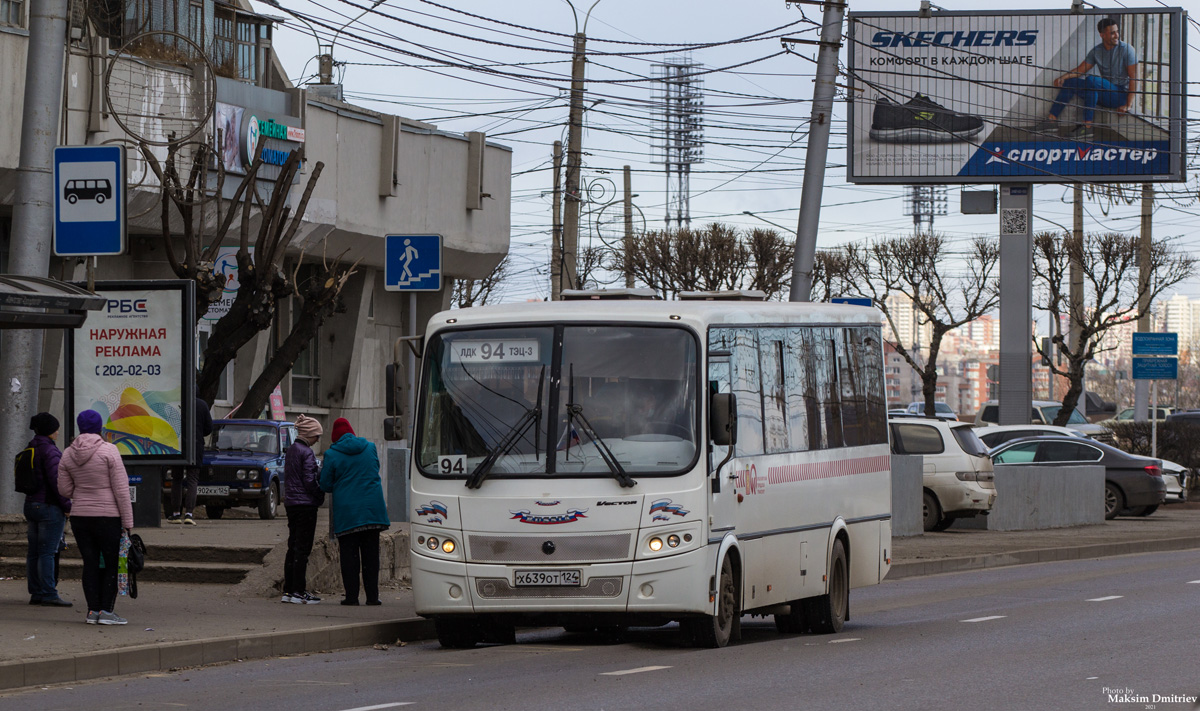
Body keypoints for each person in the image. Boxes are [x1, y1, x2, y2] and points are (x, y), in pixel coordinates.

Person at [58, 410, 134, 625]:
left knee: (90, 563)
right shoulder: (109, 451)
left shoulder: (67, 453)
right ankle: (107, 613)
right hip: (108, 517)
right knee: (110, 564)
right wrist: (128, 523)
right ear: (100, 428)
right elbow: (121, 490)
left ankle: (92, 612)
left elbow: (64, 489)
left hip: (80, 516)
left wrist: (82, 494)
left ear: (79, 427)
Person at [318, 418, 389, 606]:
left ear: (334, 437)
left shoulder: (332, 454)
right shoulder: (370, 447)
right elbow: (375, 468)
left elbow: (325, 484)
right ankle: (373, 597)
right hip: (372, 511)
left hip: (348, 513)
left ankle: (352, 597)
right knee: (371, 556)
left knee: (349, 557)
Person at [1032, 18, 1139, 140]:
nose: (1117, 36)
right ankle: (1051, 121)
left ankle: (1087, 127)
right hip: (1103, 93)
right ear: (1102, 35)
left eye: (1117, 31)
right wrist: (1063, 77)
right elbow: (1080, 70)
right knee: (1071, 82)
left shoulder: (1126, 49)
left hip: (1119, 95)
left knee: (1092, 81)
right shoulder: (1096, 51)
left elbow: (1134, 78)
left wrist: (1128, 105)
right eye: (1112, 33)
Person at [24, 412, 72, 607]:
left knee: (34, 551)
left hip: (31, 504)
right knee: (48, 552)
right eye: (55, 428)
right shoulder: (50, 451)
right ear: (50, 430)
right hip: (49, 507)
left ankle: (35, 592)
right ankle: (49, 592)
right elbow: (57, 482)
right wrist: (67, 506)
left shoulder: (31, 447)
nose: (58, 432)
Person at [282, 415, 325, 604]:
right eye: (317, 436)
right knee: (303, 549)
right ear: (309, 435)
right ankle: (299, 591)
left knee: (292, 547)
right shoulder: (306, 453)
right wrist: (319, 494)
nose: (318, 440)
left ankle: (288, 591)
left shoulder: (292, 450)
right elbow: (309, 480)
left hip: (291, 503)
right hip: (306, 505)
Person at [168, 394, 213, 525]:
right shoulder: (202, 405)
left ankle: (175, 514)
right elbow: (208, 428)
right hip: (195, 446)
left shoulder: (175, 403)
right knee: (192, 479)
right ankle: (189, 514)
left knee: (176, 479)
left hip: (177, 446)